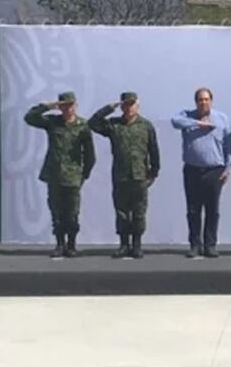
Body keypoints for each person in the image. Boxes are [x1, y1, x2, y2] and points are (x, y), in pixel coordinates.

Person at [88, 92, 160, 260]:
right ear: (121, 106)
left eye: (132, 104)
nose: (129, 108)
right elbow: (92, 123)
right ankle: (123, 244)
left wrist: (154, 172)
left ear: (137, 106)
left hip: (140, 176)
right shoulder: (114, 124)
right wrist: (109, 108)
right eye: (125, 105)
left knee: (139, 212)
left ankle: (136, 245)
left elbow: (153, 150)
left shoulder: (146, 125)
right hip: (120, 176)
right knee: (121, 212)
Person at [24, 91, 95, 259]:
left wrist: (84, 175)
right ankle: (59, 244)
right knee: (56, 212)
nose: (67, 109)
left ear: (75, 106)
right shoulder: (53, 122)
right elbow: (29, 117)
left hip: (73, 176)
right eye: (64, 105)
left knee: (72, 213)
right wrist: (49, 106)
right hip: (54, 175)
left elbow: (90, 154)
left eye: (70, 105)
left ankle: (71, 245)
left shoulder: (83, 125)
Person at [172, 88, 231, 259]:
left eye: (206, 99)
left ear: (211, 101)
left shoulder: (222, 118)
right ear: (196, 102)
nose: (204, 102)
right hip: (192, 170)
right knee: (193, 210)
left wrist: (228, 168)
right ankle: (195, 245)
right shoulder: (187, 116)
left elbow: (230, 147)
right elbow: (174, 121)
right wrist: (198, 124)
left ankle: (210, 245)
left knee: (212, 210)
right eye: (200, 100)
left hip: (214, 171)